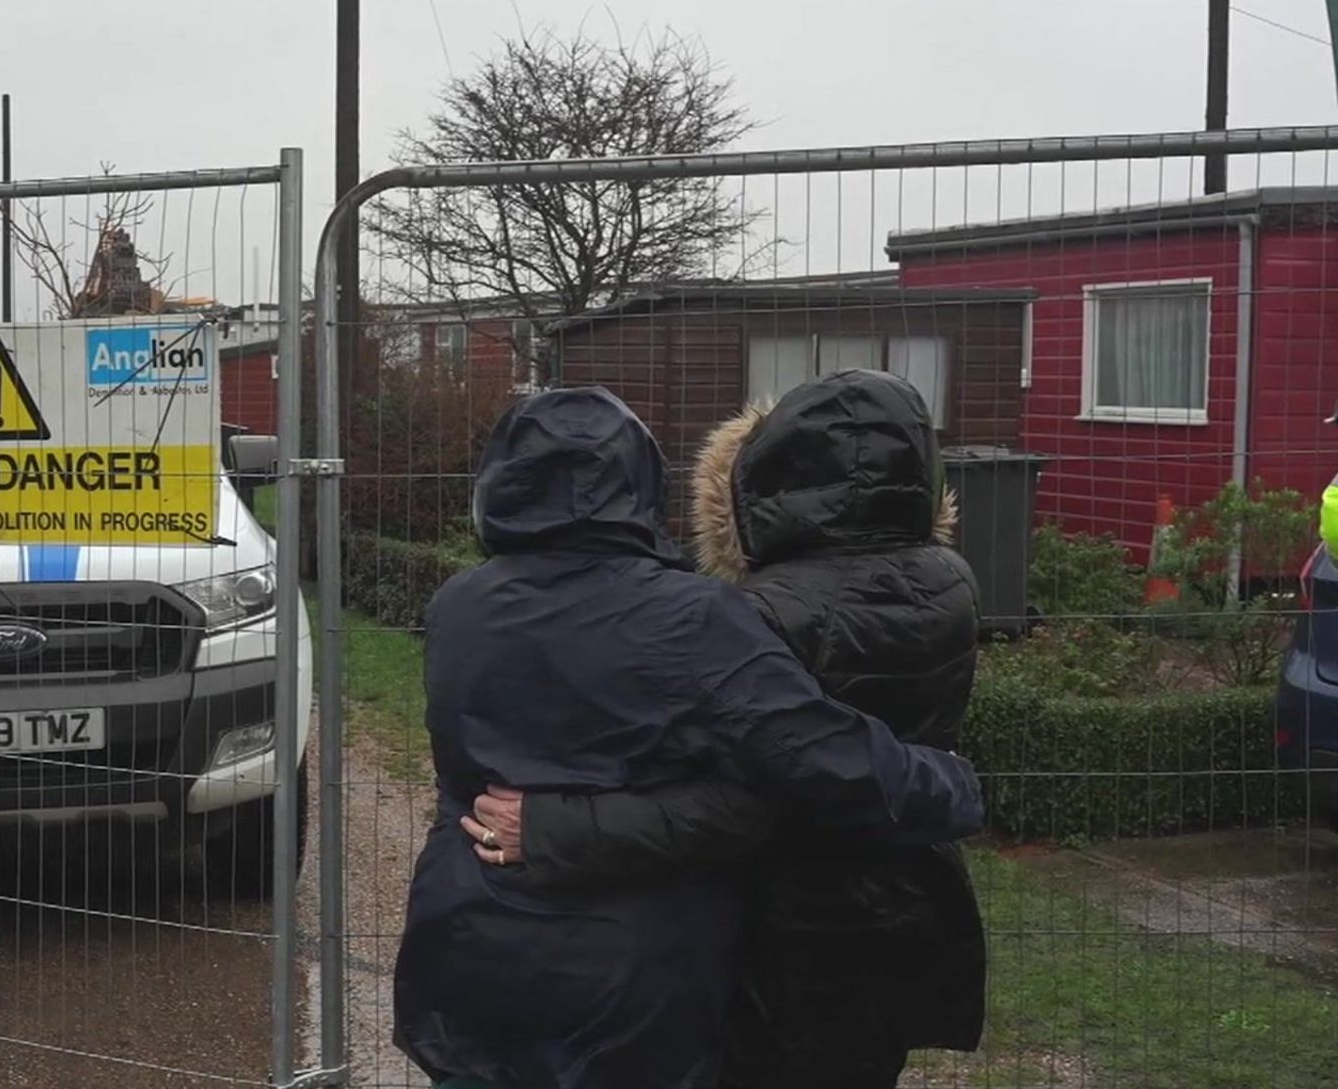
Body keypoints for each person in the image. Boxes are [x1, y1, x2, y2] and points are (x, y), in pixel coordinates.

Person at [391, 385, 984, 1089]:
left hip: (463, 941)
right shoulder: (693, 619)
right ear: (643, 483)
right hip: (618, 981)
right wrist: (951, 784)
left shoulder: (457, 604)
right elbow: (821, 756)